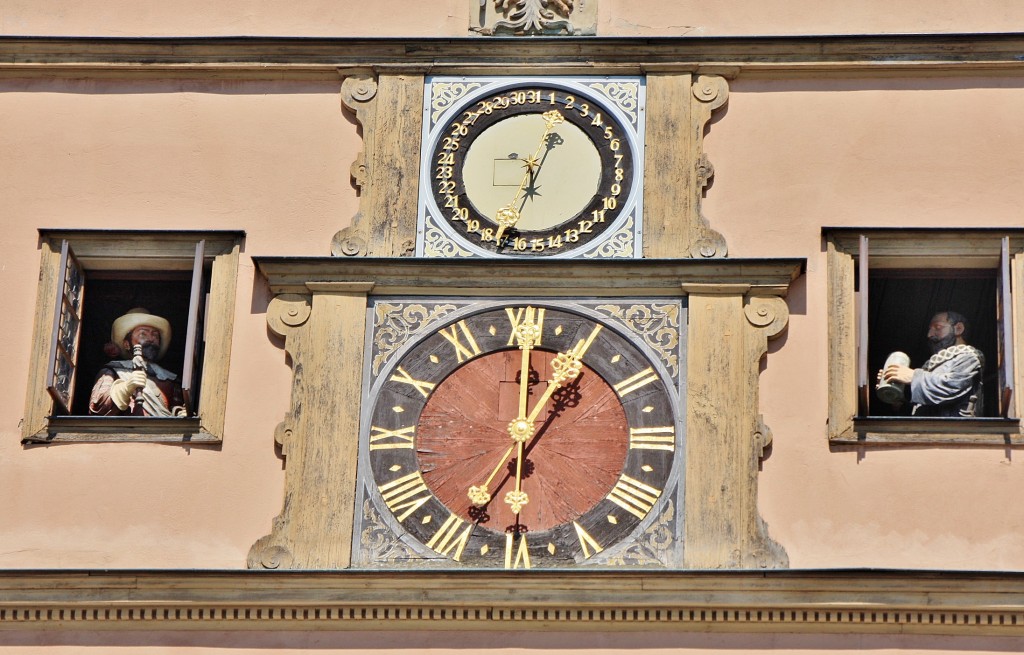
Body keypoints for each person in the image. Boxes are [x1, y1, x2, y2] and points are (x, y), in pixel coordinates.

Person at [877, 310, 984, 417]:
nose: (929, 335)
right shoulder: (931, 365)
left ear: (958, 329)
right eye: (930, 329)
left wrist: (913, 377)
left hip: (953, 430)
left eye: (937, 327)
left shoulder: (968, 357)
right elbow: (921, 407)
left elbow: (952, 386)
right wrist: (897, 395)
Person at [89, 308, 186, 417]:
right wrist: (126, 388)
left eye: (155, 335)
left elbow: (176, 408)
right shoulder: (112, 371)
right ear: (126, 344)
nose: (151, 338)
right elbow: (97, 409)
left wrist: (180, 414)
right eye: (143, 334)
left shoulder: (170, 379)